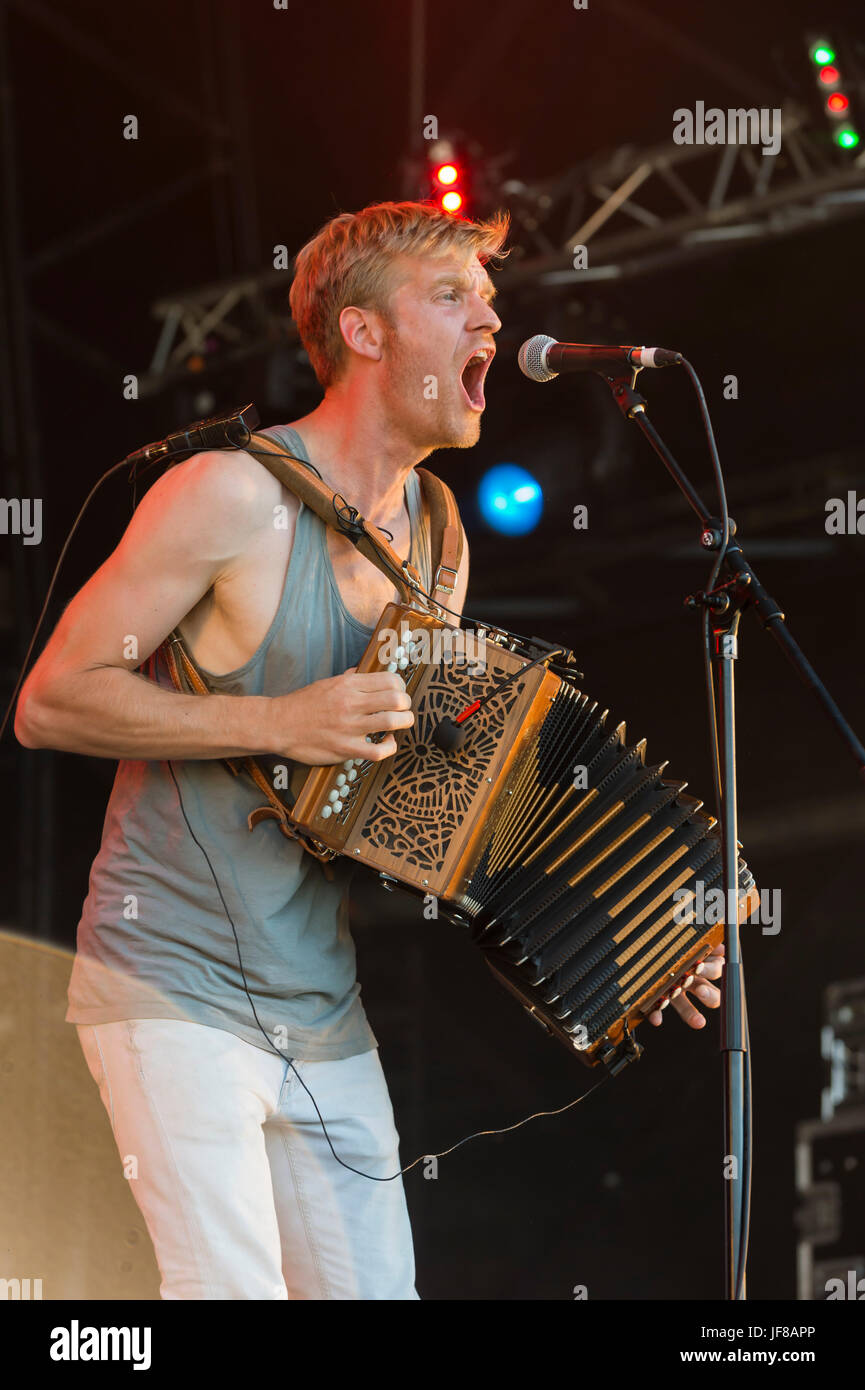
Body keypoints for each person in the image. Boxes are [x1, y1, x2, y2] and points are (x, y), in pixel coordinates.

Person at [14, 200, 724, 1301]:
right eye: (451, 298)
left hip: (321, 1002)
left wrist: (631, 940)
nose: (488, 323)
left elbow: (430, 804)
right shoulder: (230, 495)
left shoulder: (440, 533)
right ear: (362, 332)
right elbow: (52, 701)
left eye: (489, 302)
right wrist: (280, 719)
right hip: (168, 981)